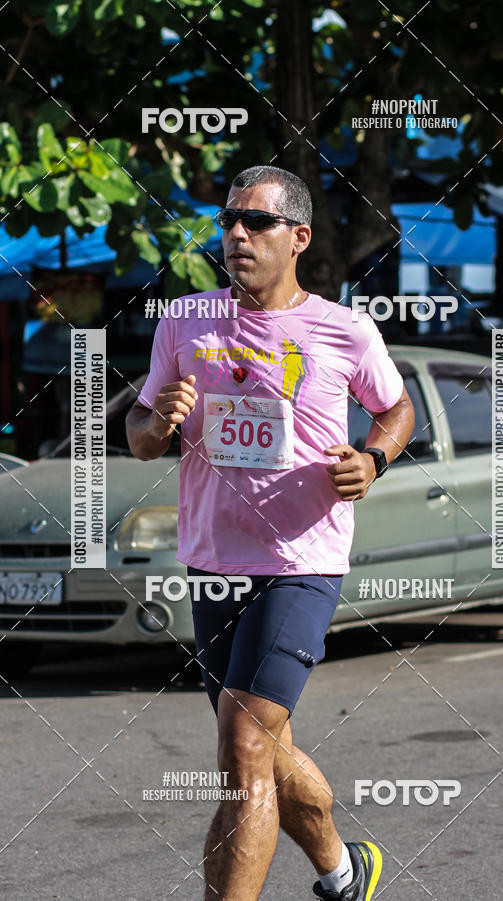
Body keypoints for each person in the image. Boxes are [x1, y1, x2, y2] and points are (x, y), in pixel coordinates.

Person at [126, 165, 415, 901]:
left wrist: (373, 458)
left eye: (256, 223)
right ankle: (346, 871)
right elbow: (137, 432)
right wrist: (157, 421)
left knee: (244, 743)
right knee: (267, 749)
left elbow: (396, 409)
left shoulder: (344, 329)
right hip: (214, 562)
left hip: (302, 562)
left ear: (299, 238)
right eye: (229, 221)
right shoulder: (184, 321)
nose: (236, 235)